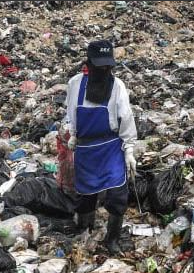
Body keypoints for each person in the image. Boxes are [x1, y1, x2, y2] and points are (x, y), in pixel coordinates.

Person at [60, 39, 137, 255]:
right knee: (85, 194)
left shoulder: (117, 86)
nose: (104, 69)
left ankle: (112, 239)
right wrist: (73, 134)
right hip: (86, 149)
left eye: (107, 66)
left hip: (112, 147)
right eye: (99, 65)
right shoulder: (76, 84)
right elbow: (71, 112)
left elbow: (126, 118)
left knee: (117, 195)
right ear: (89, 64)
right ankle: (85, 229)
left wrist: (129, 149)